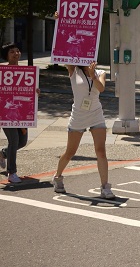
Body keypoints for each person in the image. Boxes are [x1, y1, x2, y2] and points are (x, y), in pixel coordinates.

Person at [52, 62, 114, 199]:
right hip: (79, 115)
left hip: (96, 114)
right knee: (70, 152)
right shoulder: (73, 70)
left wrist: (93, 76)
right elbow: (65, 53)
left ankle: (105, 187)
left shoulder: (100, 73)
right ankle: (57, 177)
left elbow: (101, 88)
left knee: (101, 151)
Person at [0, 43, 39, 183]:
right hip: (6, 114)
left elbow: (30, 94)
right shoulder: (2, 72)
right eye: (12, 52)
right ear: (6, 56)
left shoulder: (26, 73)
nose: (16, 53)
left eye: (17, 51)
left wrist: (35, 94)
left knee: (22, 142)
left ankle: (2, 154)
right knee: (14, 140)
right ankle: (12, 172)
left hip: (21, 113)